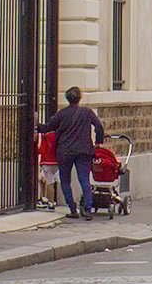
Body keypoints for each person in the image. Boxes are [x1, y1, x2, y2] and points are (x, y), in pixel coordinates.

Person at [36, 86, 104, 220]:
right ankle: (88, 209)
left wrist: (36, 124)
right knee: (84, 179)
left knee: (65, 181)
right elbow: (99, 126)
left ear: (67, 99)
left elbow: (47, 128)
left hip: (65, 151)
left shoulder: (62, 113)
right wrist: (98, 142)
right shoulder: (87, 112)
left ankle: (72, 209)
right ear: (80, 98)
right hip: (84, 150)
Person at [35, 130, 59, 210]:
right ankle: (44, 199)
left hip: (47, 160)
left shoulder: (45, 136)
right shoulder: (58, 135)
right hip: (55, 161)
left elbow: (41, 148)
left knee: (49, 182)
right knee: (41, 179)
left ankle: (51, 203)